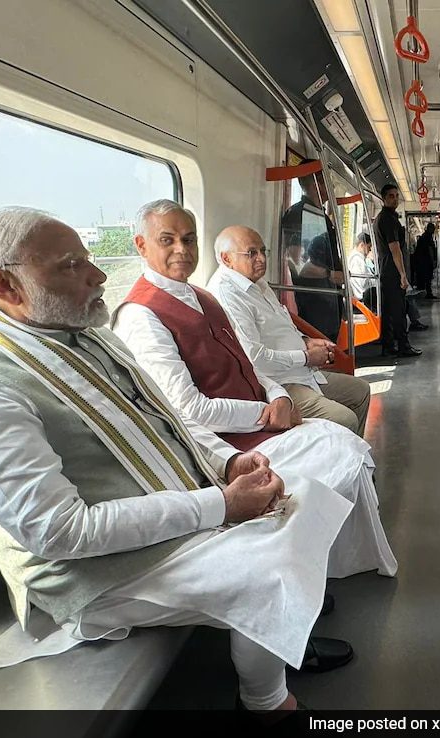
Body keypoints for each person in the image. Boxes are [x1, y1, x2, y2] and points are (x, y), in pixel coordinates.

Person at [0, 206, 367, 716]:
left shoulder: (89, 338)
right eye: (71, 266)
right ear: (4, 285)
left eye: (89, 258)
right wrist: (219, 506)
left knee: (302, 495)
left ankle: (282, 634)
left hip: (167, 503)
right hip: (94, 573)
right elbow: (58, 533)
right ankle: (267, 704)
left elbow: (167, 418)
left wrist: (229, 463)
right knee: (271, 564)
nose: (99, 276)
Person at [111, 200, 397, 580]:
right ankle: (310, 566)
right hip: (226, 440)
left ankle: (323, 558)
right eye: (167, 240)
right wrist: (264, 414)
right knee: (340, 445)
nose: (181, 249)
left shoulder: (203, 299)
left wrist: (277, 395)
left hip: (261, 413)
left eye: (188, 239)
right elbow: (187, 408)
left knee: (348, 450)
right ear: (142, 246)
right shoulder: (142, 316)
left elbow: (248, 364)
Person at [205, 225, 372, 437]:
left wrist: (306, 340)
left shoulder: (258, 284)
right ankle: (336, 462)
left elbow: (280, 327)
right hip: (277, 383)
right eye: (251, 253)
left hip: (299, 373)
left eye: (263, 251)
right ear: (226, 259)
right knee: (343, 418)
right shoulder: (228, 294)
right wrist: (306, 357)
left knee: (360, 390)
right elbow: (254, 358)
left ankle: (354, 460)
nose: (261, 259)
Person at [282, 168, 344, 340]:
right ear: (316, 183)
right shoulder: (298, 214)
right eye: (327, 182)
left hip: (330, 299)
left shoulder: (321, 215)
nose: (331, 187)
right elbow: (296, 264)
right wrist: (330, 274)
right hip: (315, 302)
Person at [374, 184, 421, 357]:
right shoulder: (388, 219)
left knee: (388, 310)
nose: (395, 199)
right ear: (384, 199)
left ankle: (388, 345)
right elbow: (395, 249)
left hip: (385, 268)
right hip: (392, 270)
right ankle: (403, 346)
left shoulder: (383, 218)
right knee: (399, 310)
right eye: (391, 196)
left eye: (396, 195)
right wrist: (402, 274)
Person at [348, 231, 378, 307]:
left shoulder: (360, 259)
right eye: (368, 247)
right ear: (362, 245)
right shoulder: (357, 260)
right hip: (362, 298)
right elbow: (361, 282)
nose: (369, 250)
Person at [413, 222, 436, 297]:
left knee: (426, 276)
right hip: (426, 260)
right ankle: (429, 293)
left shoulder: (423, 236)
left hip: (421, 260)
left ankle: (427, 292)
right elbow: (430, 250)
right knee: (428, 276)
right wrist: (433, 261)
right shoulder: (427, 237)